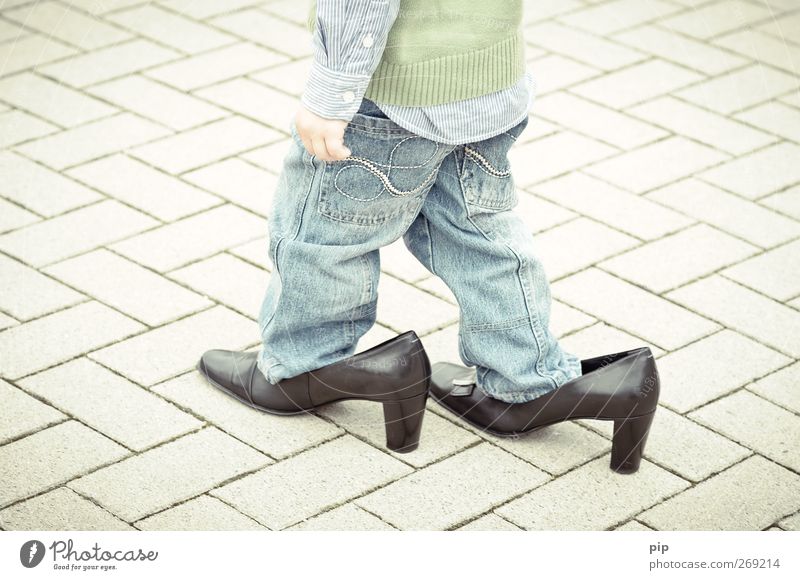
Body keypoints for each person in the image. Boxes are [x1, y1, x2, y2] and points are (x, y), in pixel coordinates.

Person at [198, 0, 660, 472]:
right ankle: (527, 379)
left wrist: (330, 94)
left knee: (325, 237)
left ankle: (301, 366)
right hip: (488, 84)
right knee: (479, 236)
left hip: (396, 92)